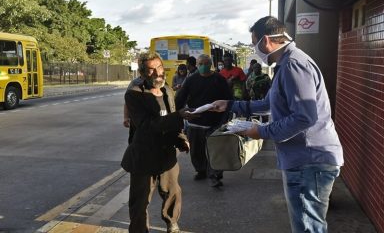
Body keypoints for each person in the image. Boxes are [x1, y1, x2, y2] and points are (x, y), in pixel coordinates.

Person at [211, 16, 344, 233]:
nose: (255, 50)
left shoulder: (293, 65)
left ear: (265, 40)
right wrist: (230, 105)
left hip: (308, 161)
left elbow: (304, 117)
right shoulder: (288, 63)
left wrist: (261, 131)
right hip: (305, 159)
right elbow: (269, 104)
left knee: (308, 228)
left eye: (254, 43)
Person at [121, 51, 196, 233]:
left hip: (166, 154)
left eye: (159, 68)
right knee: (140, 202)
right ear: (142, 73)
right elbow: (146, 125)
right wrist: (178, 116)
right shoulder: (134, 94)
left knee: (172, 193)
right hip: (143, 156)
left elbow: (171, 119)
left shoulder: (167, 90)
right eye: (151, 70)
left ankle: (172, 223)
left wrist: (181, 139)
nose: (157, 73)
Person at [175, 54, 232, 187]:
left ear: (211, 64)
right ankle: (201, 170)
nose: (203, 66)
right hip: (195, 121)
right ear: (197, 65)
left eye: (206, 63)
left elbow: (229, 98)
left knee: (215, 150)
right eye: (201, 64)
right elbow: (181, 97)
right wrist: (177, 113)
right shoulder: (190, 80)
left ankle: (215, 175)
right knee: (196, 150)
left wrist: (227, 115)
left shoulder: (219, 79)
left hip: (215, 122)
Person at [123, 76, 144, 143]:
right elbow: (128, 101)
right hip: (137, 121)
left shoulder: (159, 82)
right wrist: (126, 117)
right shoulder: (135, 82)